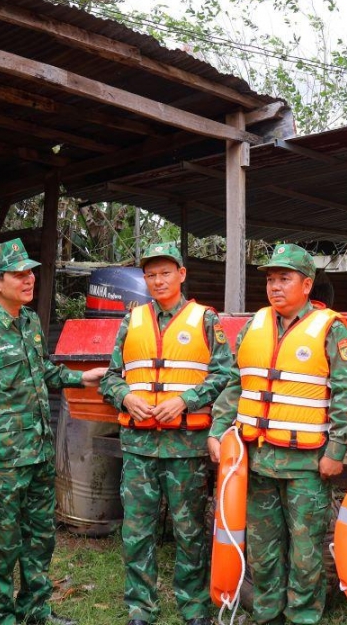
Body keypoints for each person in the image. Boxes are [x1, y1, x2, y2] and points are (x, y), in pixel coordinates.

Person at [0, 238, 105, 625]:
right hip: (3, 461)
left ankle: (36, 610)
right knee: (3, 548)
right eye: (19, 273)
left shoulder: (30, 322)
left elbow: (43, 372)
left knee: (40, 540)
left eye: (30, 271)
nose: (29, 279)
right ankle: (2, 618)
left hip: (37, 454)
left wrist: (81, 377)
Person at [207, 244, 347, 625]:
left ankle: (303, 617)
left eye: (284, 278)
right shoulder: (255, 324)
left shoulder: (330, 327)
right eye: (271, 279)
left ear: (307, 285)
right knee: (263, 549)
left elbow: (345, 391)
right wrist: (217, 429)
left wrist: (337, 449)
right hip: (257, 460)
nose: (275, 287)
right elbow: (235, 383)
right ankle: (267, 615)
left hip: (307, 462)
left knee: (306, 550)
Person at [98, 242, 235, 625]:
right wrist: (125, 397)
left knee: (190, 533)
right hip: (139, 446)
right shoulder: (132, 319)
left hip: (185, 447)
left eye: (165, 273)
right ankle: (141, 610)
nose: (158, 280)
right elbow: (110, 377)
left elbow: (227, 374)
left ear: (181, 275)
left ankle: (194, 609)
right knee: (137, 532)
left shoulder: (205, 320)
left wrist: (187, 400)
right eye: (151, 274)